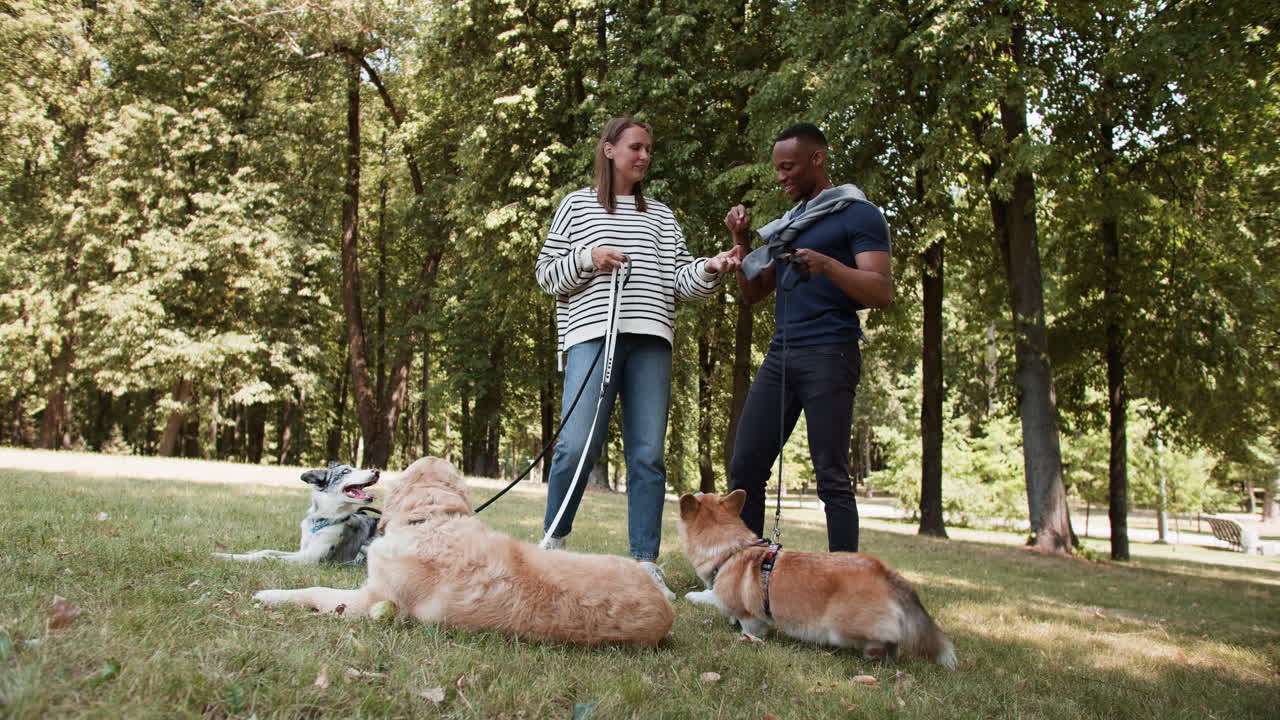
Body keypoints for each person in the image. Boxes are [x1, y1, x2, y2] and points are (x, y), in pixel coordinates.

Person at [534, 115, 740, 599]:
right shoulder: (576, 207)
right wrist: (589, 258)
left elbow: (679, 282)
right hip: (592, 337)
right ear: (608, 150)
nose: (644, 156)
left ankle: (645, 563)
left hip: (651, 340)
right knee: (574, 445)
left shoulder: (662, 216)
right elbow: (547, 276)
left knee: (647, 455)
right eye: (635, 147)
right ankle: (553, 544)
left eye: (649, 149)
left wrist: (710, 267)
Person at [724, 123, 893, 553]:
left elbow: (881, 290)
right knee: (745, 465)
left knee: (831, 475)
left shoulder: (859, 214)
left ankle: (847, 586)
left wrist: (829, 266)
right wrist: (740, 240)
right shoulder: (789, 225)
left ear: (817, 159)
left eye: (789, 167)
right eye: (777, 168)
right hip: (782, 353)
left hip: (830, 351)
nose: (781, 176)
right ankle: (747, 577)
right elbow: (754, 294)